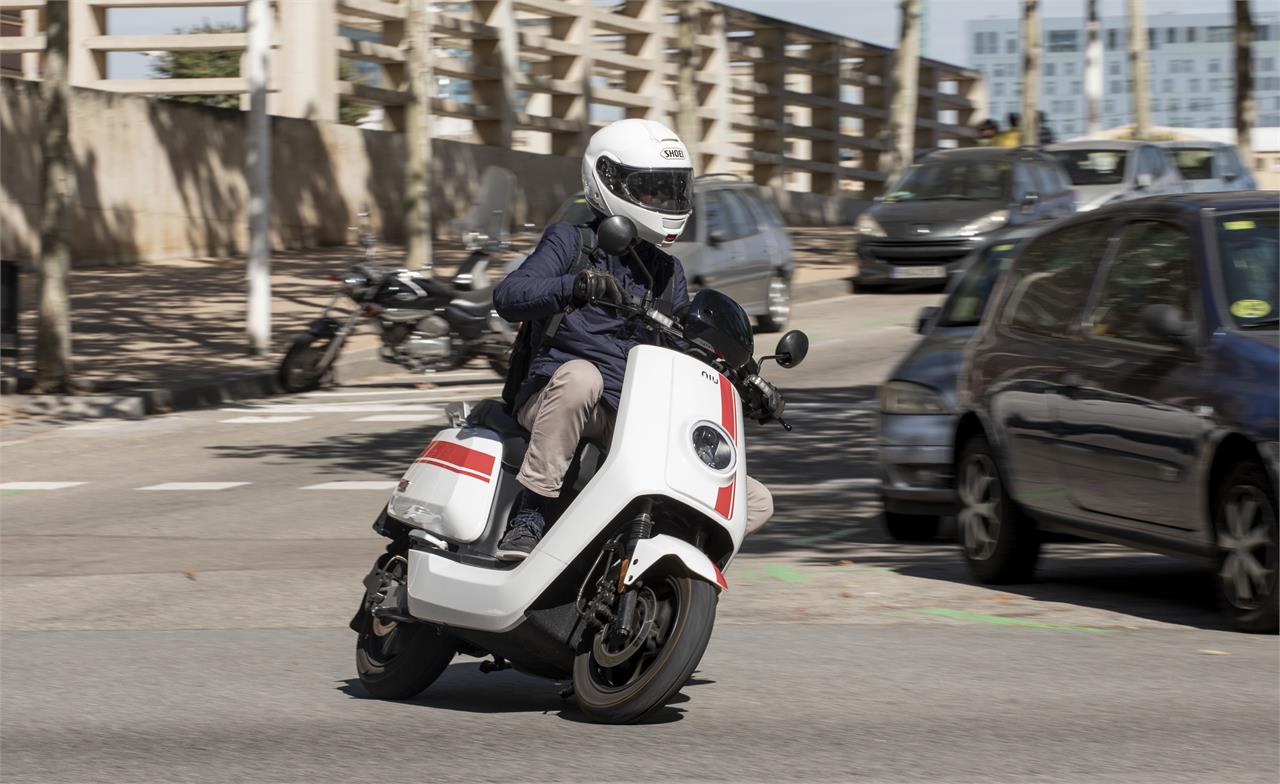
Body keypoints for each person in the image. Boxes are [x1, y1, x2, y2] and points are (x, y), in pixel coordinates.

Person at [490, 119, 775, 561]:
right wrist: (575, 286)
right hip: (555, 398)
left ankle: (654, 566)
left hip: (628, 416)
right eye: (651, 190)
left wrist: (742, 383)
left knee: (752, 500)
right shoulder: (572, 240)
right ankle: (530, 515)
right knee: (582, 377)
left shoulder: (668, 273)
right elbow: (509, 295)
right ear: (608, 180)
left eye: (672, 191)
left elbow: (682, 351)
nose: (664, 201)